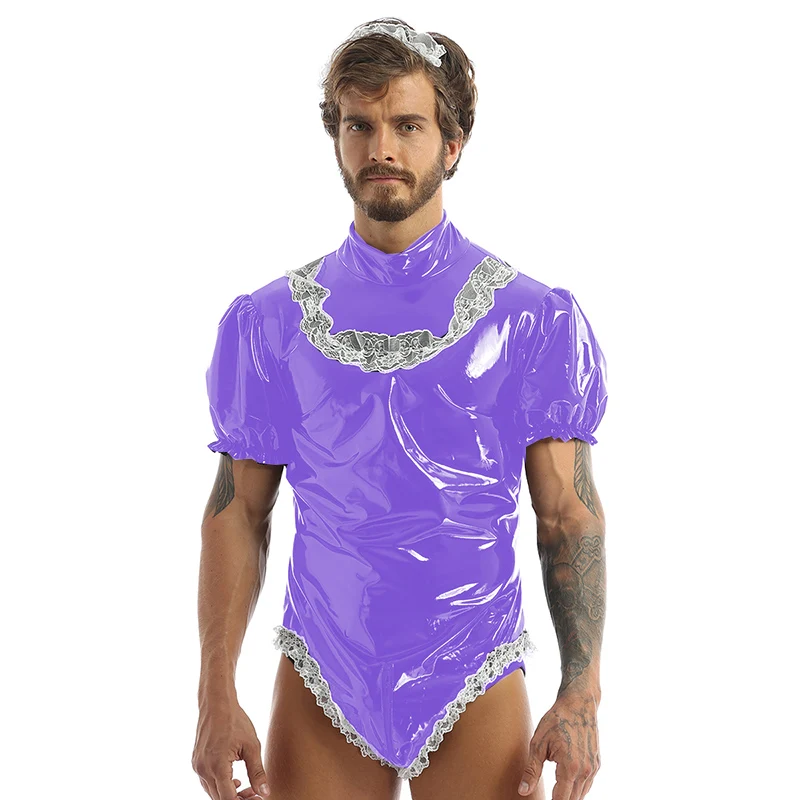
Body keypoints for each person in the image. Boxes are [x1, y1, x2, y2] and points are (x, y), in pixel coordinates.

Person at [192, 17, 608, 800]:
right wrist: (215, 695)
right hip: (324, 669)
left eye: (407, 125)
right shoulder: (270, 324)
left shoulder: (531, 319)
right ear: (338, 139)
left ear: (451, 145)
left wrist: (581, 693)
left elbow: (566, 517)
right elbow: (237, 514)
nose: (381, 147)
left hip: (474, 664)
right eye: (361, 125)